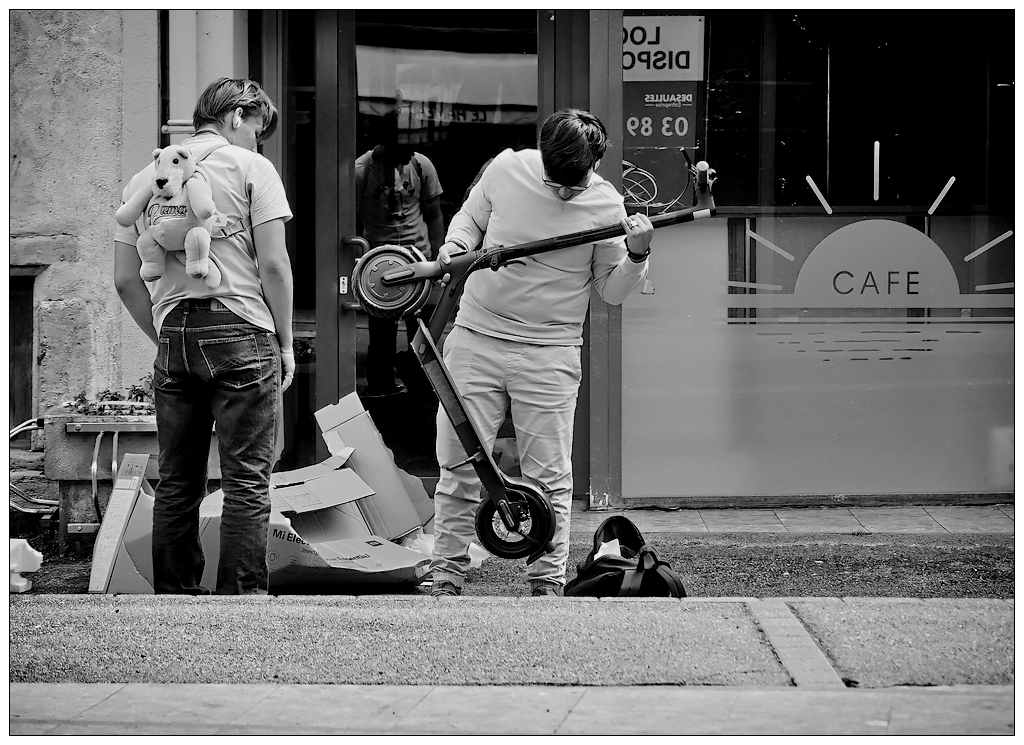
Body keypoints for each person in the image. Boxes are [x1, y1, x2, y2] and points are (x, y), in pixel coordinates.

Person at [429, 108, 655, 597]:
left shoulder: (607, 205)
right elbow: (470, 218)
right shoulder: (507, 169)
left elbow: (610, 291)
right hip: (476, 336)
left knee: (549, 473)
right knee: (460, 463)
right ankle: (445, 571)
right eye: (556, 184)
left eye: (574, 185)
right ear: (542, 156)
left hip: (550, 350)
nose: (566, 193)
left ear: (596, 161)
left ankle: (545, 578)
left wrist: (637, 254)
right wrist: (456, 245)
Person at [113, 77, 294, 595]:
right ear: (238, 116)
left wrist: (165, 335)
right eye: (258, 127)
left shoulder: (143, 180)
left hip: (174, 332)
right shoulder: (251, 168)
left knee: (177, 481)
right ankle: (239, 604)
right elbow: (276, 267)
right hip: (243, 329)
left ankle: (176, 607)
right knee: (245, 480)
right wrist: (283, 345)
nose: (258, 140)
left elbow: (126, 280)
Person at [355, 109, 445, 396]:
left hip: (419, 257)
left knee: (423, 332)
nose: (410, 152)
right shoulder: (361, 171)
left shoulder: (421, 166)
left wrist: (441, 258)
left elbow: (433, 213)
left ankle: (423, 390)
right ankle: (381, 388)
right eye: (403, 146)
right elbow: (349, 218)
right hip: (381, 263)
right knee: (381, 334)